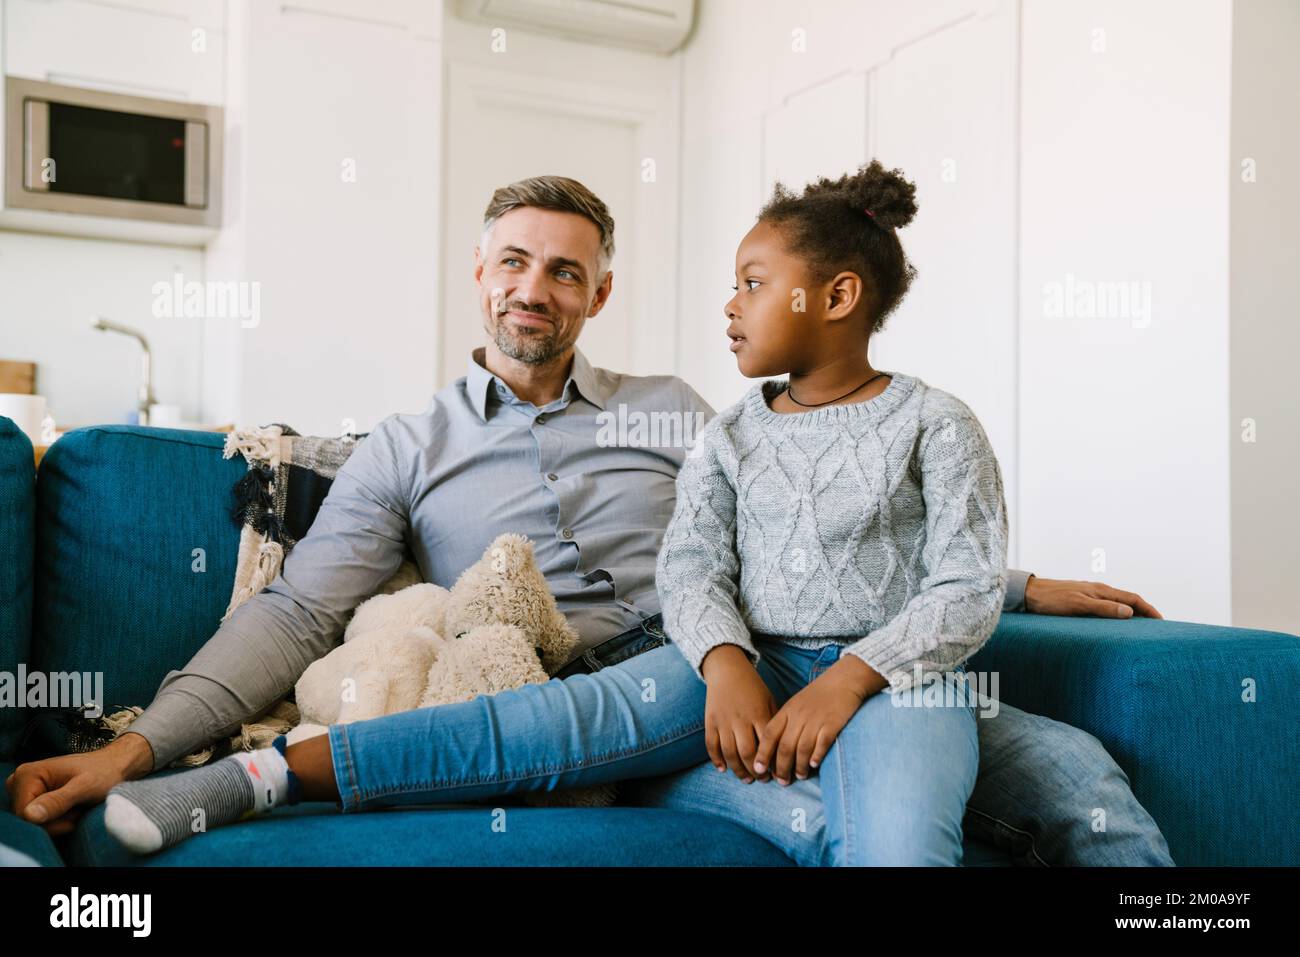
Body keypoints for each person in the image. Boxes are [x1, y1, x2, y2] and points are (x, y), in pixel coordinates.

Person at [4, 174, 1171, 865]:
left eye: (565, 272)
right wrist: (135, 746)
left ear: (597, 294)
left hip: (784, 659)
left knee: (1079, 773)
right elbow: (303, 611)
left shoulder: (676, 412)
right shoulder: (412, 447)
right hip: (628, 697)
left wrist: (1017, 588)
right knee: (831, 822)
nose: (535, 288)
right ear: (479, 277)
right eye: (514, 262)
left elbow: (812, 522)